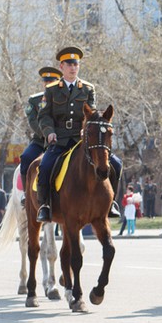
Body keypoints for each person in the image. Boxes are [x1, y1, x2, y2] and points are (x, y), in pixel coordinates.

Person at [36, 47, 122, 222]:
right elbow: (44, 116)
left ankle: (111, 202)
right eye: (69, 64)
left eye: (76, 64)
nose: (73, 67)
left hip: (82, 140)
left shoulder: (88, 89)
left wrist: (87, 128)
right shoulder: (52, 89)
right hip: (59, 139)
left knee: (116, 164)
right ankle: (45, 206)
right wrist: (49, 132)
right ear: (61, 66)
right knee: (44, 167)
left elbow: (92, 113)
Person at [19, 66, 63, 204]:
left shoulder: (63, 100)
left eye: (52, 81)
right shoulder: (34, 100)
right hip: (40, 141)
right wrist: (47, 134)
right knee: (25, 157)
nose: (48, 84)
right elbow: (32, 121)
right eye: (46, 81)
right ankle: (26, 194)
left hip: (61, 141)